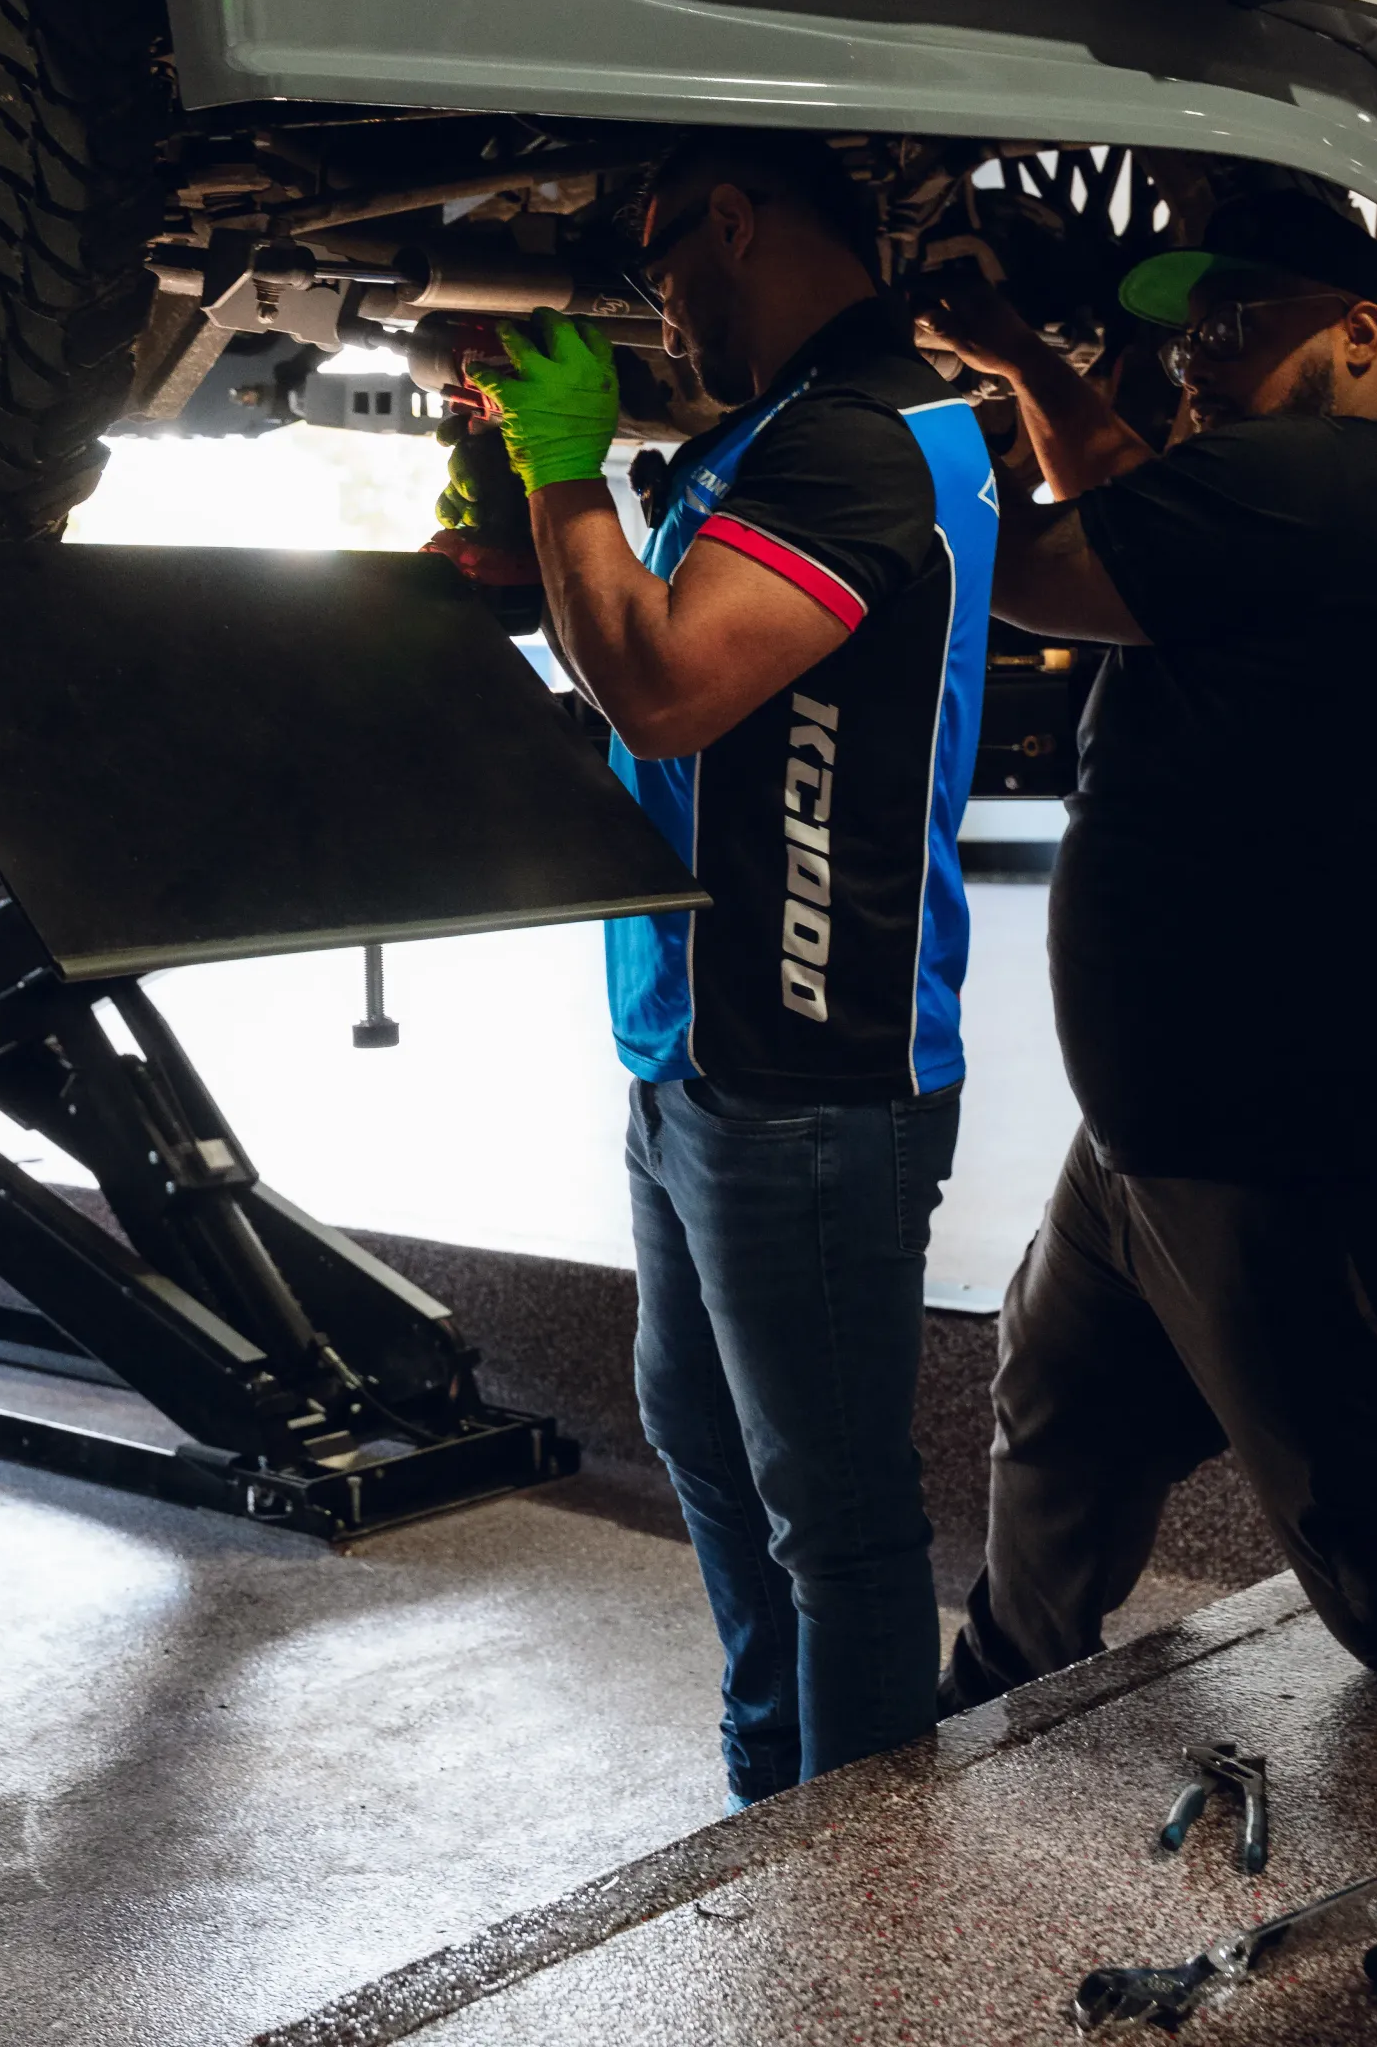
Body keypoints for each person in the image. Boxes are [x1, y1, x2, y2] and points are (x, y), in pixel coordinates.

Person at [918, 188, 1377, 1706]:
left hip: (1332, 1148)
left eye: (1238, 320)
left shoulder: (1338, 482)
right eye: (1189, 327)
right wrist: (1024, 359)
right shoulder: (1309, 505)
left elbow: (1042, 564)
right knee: (1063, 1404)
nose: (1196, 356)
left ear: (1362, 332)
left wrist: (876, 430)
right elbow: (1130, 485)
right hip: (1171, 1133)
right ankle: (986, 1712)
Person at [452, 132, 997, 1803]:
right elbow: (667, 674)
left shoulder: (865, 441)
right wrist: (526, 518)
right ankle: (779, 1796)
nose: (660, 313)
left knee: (833, 1509)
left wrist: (565, 471)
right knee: (701, 1437)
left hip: (814, 1064)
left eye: (660, 264)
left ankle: (866, 1872)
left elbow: (674, 688)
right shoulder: (779, 438)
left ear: (735, 219)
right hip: (700, 1046)